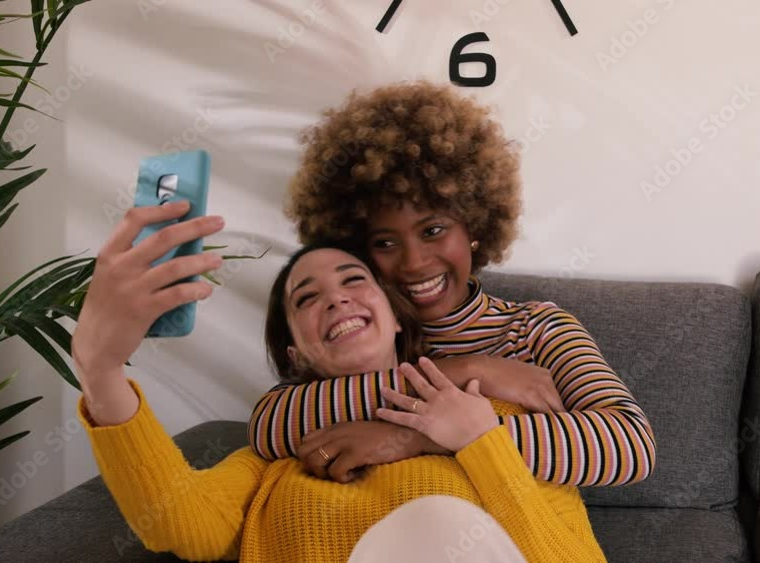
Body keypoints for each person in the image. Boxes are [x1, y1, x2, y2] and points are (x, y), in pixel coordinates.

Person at [71, 202, 607, 562]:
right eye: (307, 298)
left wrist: (477, 440)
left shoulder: (495, 416)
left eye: (354, 281)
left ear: (398, 317)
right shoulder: (278, 450)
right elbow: (177, 524)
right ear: (295, 352)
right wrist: (101, 373)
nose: (336, 298)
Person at [250, 79, 657, 490]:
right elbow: (271, 423)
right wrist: (472, 369)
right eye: (385, 242)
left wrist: (420, 438)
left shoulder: (538, 330)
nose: (414, 262)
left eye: (433, 230)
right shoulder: (362, 338)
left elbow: (629, 445)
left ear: (475, 226)